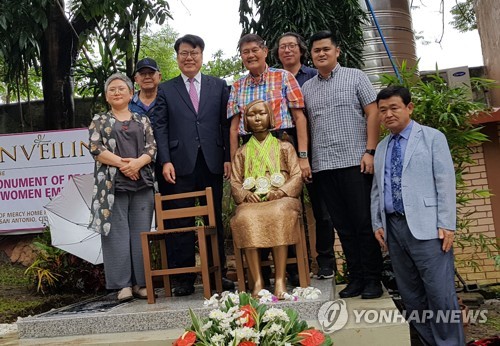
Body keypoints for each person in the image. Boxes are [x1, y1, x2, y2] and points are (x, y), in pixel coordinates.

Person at [371, 86, 465, 345]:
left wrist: (447, 223)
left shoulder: (432, 138)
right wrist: (377, 222)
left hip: (429, 228)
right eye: (382, 110)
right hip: (394, 228)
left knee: (440, 294)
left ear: (409, 108)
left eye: (394, 108)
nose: (388, 114)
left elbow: (445, 182)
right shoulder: (380, 147)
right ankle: (429, 342)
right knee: (411, 296)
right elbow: (378, 188)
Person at [301, 30, 383, 299]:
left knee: (362, 223)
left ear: (337, 51)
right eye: (316, 50)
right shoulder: (307, 88)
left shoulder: (355, 76)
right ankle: (356, 278)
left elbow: (373, 112)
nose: (321, 54)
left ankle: (373, 279)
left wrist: (370, 151)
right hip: (324, 166)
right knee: (343, 227)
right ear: (310, 56)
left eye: (326, 49)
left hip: (355, 161)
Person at [152, 34, 233, 296]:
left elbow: (226, 124)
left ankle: (218, 274)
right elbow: (160, 127)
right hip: (178, 165)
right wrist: (165, 160)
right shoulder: (165, 89)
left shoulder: (218, 86)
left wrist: (228, 158)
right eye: (184, 53)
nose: (189, 57)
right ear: (177, 57)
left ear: (202, 56)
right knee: (181, 222)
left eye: (194, 52)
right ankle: (184, 278)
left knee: (214, 221)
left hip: (212, 162)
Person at [88, 73, 156, 301]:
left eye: (121, 89)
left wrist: (137, 164)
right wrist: (123, 165)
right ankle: (122, 285)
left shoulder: (142, 120)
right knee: (116, 234)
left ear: (130, 93)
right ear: (107, 96)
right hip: (112, 185)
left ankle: (141, 283)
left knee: (141, 233)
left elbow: (151, 149)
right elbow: (96, 149)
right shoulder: (99, 120)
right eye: (112, 90)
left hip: (142, 183)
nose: (117, 92)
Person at [275, 32, 336, 281]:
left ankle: (325, 263)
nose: (287, 50)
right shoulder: (274, 79)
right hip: (281, 154)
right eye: (282, 47)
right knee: (284, 207)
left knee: (322, 209)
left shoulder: (313, 76)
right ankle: (291, 267)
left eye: (292, 46)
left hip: (315, 150)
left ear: (301, 50)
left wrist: (305, 154)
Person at [230, 99, 303, 298]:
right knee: (244, 217)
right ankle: (258, 281)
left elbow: (297, 175)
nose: (257, 118)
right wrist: (246, 194)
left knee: (278, 213)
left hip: (281, 199)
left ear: (270, 116)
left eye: (261, 113)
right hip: (252, 202)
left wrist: (281, 192)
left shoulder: (284, 147)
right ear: (246, 120)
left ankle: (280, 279)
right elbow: (235, 182)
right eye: (252, 115)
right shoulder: (242, 152)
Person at [227, 33, 311, 181]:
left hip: (282, 144)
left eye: (255, 50)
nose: (250, 55)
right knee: (254, 194)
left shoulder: (284, 77)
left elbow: (299, 118)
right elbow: (234, 129)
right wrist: (235, 163)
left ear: (265, 51)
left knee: (286, 193)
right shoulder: (237, 86)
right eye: (245, 52)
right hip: (250, 147)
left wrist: (303, 156)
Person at [129, 58, 162, 125]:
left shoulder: (168, 100)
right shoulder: (128, 103)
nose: (147, 77)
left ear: (159, 77)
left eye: (151, 73)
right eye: (142, 74)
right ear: (136, 79)